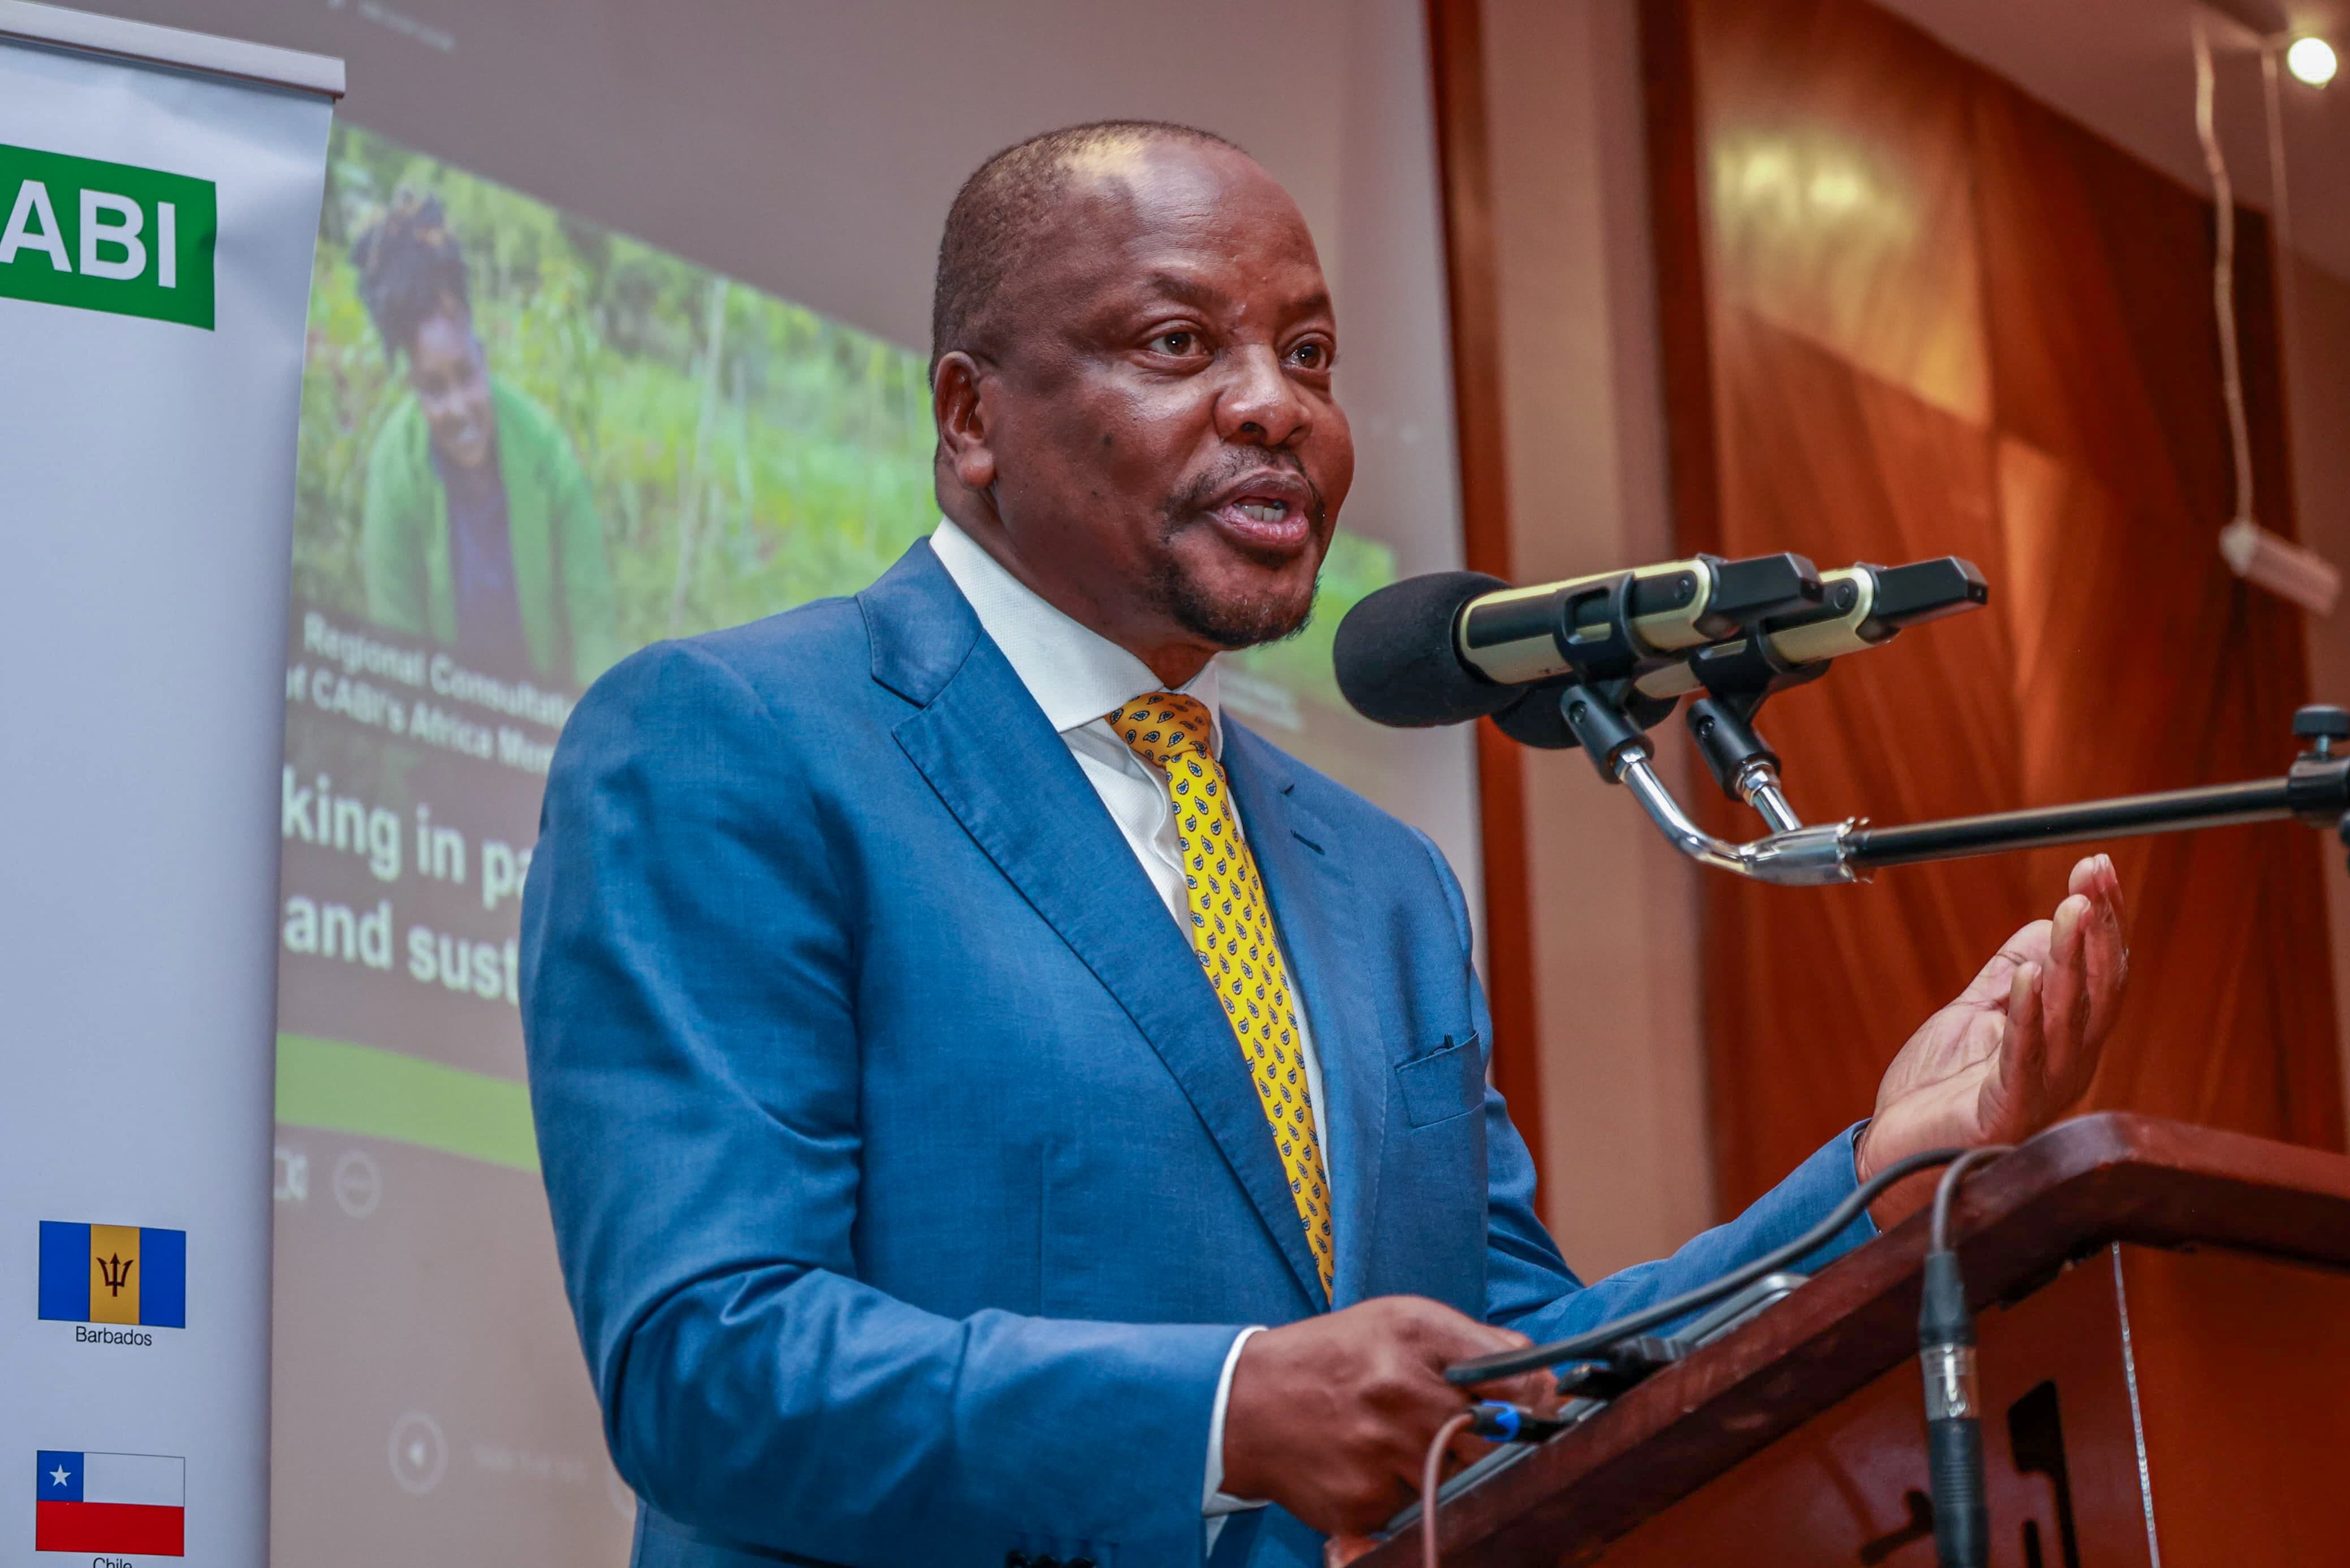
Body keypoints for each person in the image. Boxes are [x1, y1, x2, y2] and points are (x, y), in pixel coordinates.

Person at [517, 122, 2128, 1568]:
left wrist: (1865, 1184)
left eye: (1311, 352)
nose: (1277, 404)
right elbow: (706, 1363)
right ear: (971, 416)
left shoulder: (1385, 882)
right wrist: (1222, 1413)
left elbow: (1510, 1366)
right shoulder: (736, 739)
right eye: (1176, 340)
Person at [351, 191, 621, 688]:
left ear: (483, 351)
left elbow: (593, 627)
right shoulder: (395, 471)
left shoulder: (547, 453)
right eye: (433, 389)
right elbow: (397, 655)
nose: (458, 408)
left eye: (466, 376)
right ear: (410, 384)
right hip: (442, 727)